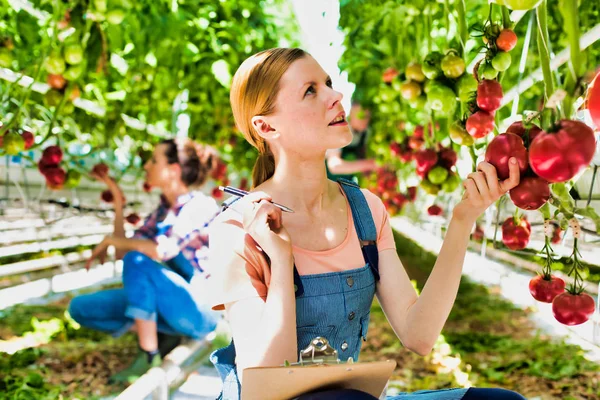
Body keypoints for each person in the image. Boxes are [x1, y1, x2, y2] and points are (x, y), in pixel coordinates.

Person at [207, 48, 526, 400]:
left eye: (328, 83)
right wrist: (281, 262)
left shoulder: (364, 210)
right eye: (311, 90)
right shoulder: (237, 229)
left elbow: (419, 335)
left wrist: (463, 218)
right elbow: (263, 389)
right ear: (267, 126)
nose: (336, 95)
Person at [68, 138, 220, 384]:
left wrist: (111, 241)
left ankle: (149, 355)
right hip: (168, 302)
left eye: (153, 160)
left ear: (174, 170)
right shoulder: (162, 212)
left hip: (199, 310)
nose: (146, 166)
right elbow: (122, 252)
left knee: (138, 259)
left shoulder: (200, 206)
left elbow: (160, 251)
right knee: (80, 307)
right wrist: (117, 201)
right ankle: (160, 332)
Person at [325, 102, 377, 183]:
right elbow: (334, 166)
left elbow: (361, 155)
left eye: (367, 117)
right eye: (361, 116)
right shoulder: (339, 130)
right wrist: (370, 164)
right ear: (351, 115)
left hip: (346, 183)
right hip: (328, 182)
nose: (365, 120)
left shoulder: (365, 133)